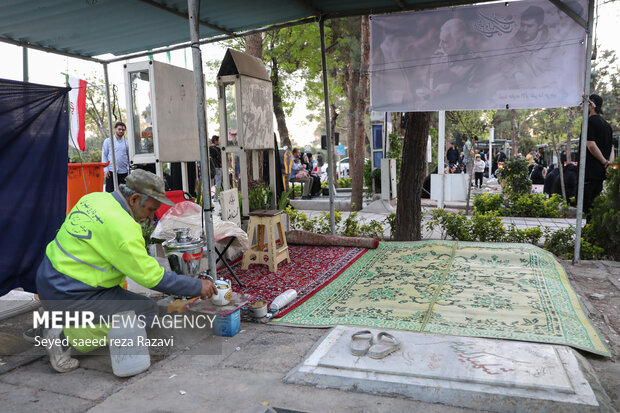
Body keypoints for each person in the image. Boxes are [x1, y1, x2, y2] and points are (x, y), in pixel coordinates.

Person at [34, 169, 217, 373]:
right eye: (150, 210)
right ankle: (63, 336)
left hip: (48, 278)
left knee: (129, 300)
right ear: (135, 199)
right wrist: (196, 286)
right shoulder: (123, 229)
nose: (150, 217)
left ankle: (60, 315)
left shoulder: (96, 199)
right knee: (145, 310)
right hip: (69, 292)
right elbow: (153, 278)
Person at [584, 94, 614, 217]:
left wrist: (604, 162)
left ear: (591, 105)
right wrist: (608, 164)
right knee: (595, 205)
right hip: (601, 173)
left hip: (589, 172)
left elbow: (591, 144)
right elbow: (611, 148)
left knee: (587, 206)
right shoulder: (607, 125)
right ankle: (593, 233)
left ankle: (589, 234)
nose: (581, 109)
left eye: (583, 105)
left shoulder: (589, 122)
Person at [102, 122, 130, 193]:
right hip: (111, 171)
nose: (121, 131)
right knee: (110, 193)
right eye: (119, 129)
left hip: (123, 172)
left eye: (123, 130)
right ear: (115, 129)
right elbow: (104, 155)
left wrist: (129, 171)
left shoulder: (127, 143)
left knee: (123, 194)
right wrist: (105, 169)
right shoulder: (108, 141)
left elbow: (129, 156)